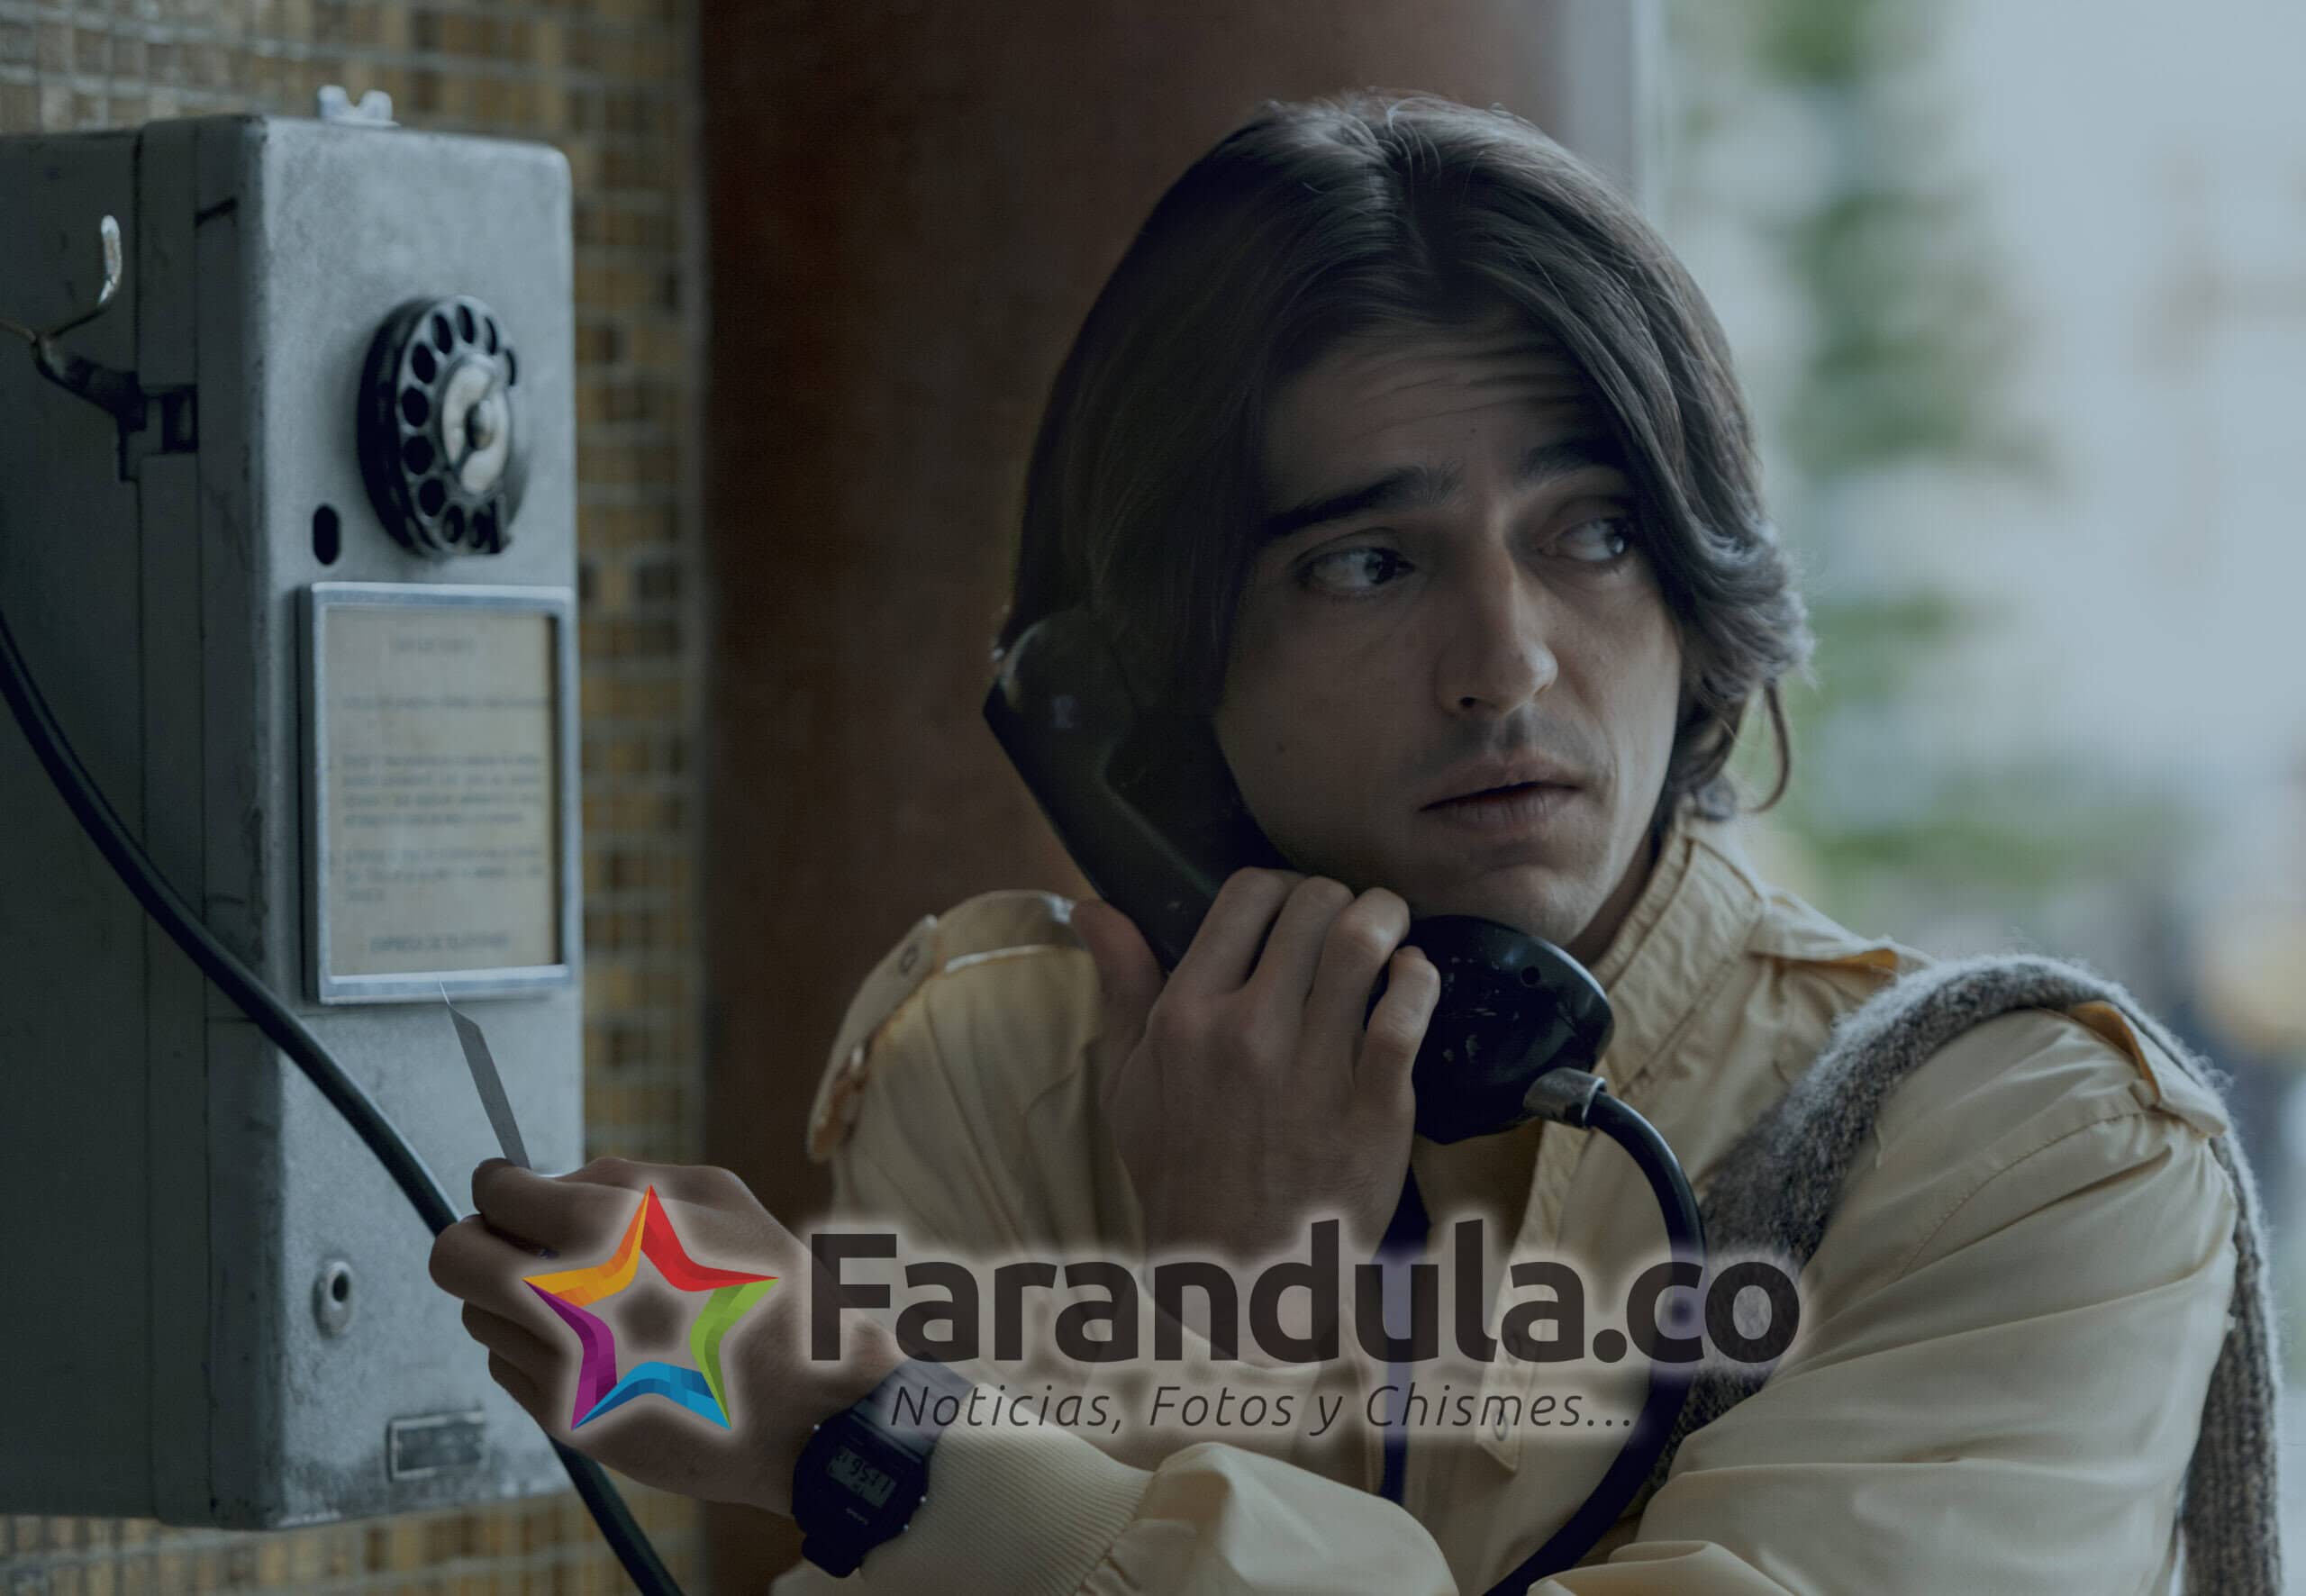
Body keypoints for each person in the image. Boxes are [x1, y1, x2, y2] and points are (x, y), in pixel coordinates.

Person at [430, 92, 2278, 1594]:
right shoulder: (1004, 1071)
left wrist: (882, 1437)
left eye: (1592, 534)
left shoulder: (2029, 1152)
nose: (1506, 662)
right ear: (1150, 679)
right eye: (1369, 563)